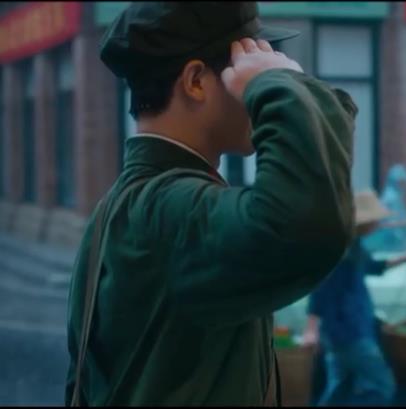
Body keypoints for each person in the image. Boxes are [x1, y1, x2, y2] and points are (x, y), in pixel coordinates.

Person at [65, 2, 357, 406]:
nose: (252, 86)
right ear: (196, 81)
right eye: (244, 67)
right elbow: (307, 223)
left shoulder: (129, 204)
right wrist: (280, 87)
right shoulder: (168, 209)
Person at [302, 190, 406, 406]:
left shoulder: (354, 247)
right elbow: (320, 292)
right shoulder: (339, 253)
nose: (378, 224)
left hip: (344, 330)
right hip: (349, 331)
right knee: (382, 386)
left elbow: (373, 266)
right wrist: (311, 329)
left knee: (338, 387)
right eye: (374, 220)